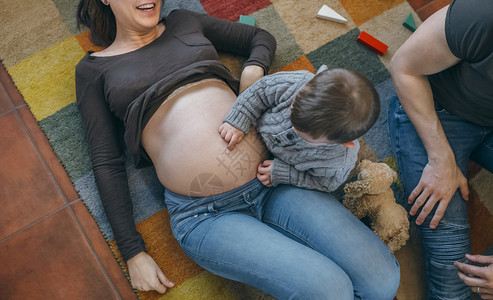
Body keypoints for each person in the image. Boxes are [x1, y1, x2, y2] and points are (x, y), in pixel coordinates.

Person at [75, 0, 400, 298]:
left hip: (274, 180)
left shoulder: (182, 22)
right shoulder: (94, 71)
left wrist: (253, 71)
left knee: (382, 282)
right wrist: (132, 252)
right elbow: (105, 161)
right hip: (205, 215)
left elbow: (259, 38)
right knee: (331, 292)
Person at [388, 0, 493, 298]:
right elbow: (405, 68)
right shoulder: (483, 15)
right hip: (438, 108)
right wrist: (440, 158)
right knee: (453, 283)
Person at [218, 65, 379, 192]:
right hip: (259, 124)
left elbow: (324, 184)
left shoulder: (336, 164)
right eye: (293, 110)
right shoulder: (297, 82)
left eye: (306, 137)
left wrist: (286, 174)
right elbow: (260, 90)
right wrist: (239, 118)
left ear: (345, 143)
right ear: (308, 85)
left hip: (282, 163)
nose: (294, 130)